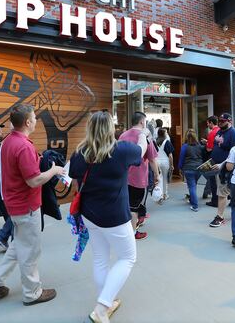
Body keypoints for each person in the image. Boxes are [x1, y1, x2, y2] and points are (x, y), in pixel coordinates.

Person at [0, 104, 65, 306]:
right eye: (34, 118)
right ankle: (32, 293)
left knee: (18, 245)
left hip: (14, 205)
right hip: (27, 206)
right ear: (27, 122)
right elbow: (34, 180)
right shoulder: (24, 146)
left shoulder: (8, 142)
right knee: (30, 250)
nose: (36, 120)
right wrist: (54, 171)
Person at [69, 111, 145, 323]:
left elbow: (76, 185)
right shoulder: (122, 150)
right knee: (127, 258)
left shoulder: (79, 153)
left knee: (101, 258)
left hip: (89, 215)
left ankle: (107, 300)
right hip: (115, 217)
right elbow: (142, 152)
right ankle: (102, 307)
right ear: (110, 128)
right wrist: (142, 136)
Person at [119, 112, 159, 240]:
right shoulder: (146, 137)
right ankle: (132, 233)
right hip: (138, 178)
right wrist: (157, 175)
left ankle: (126, 229)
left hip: (123, 178)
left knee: (126, 205)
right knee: (133, 207)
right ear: (142, 122)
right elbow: (152, 159)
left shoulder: (123, 135)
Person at [208, 113, 235, 228]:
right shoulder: (220, 131)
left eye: (223, 121)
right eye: (219, 120)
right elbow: (217, 146)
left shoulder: (234, 133)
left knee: (222, 192)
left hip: (227, 169)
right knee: (227, 192)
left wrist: (222, 164)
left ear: (229, 121)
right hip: (218, 166)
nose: (220, 122)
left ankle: (220, 216)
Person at [178, 129, 204, 212]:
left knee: (192, 186)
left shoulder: (185, 147)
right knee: (194, 185)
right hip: (199, 168)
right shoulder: (200, 146)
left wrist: (180, 168)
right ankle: (192, 200)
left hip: (188, 169)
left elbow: (181, 159)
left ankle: (195, 205)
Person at [201, 116, 219, 204]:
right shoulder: (220, 131)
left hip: (213, 158)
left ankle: (214, 199)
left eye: (208, 123)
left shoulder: (212, 133)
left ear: (211, 123)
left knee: (210, 176)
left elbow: (209, 149)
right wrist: (207, 141)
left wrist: (206, 144)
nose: (207, 125)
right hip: (221, 158)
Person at [155, 128, 174, 203]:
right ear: (164, 134)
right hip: (165, 161)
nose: (167, 134)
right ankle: (165, 194)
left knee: (159, 178)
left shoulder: (155, 142)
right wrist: (172, 165)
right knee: (165, 178)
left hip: (157, 161)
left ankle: (159, 195)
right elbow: (170, 155)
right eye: (166, 132)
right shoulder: (167, 142)